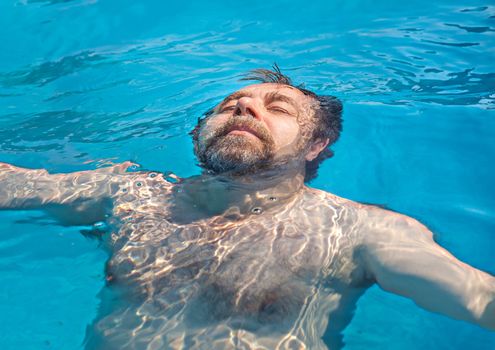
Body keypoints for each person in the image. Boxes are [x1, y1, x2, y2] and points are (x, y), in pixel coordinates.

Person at [0, 66, 493, 350]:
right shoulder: (131, 193)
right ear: (200, 133)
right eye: (229, 104)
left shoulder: (360, 230)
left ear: (316, 145)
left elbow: (476, 298)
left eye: (277, 107)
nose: (244, 107)